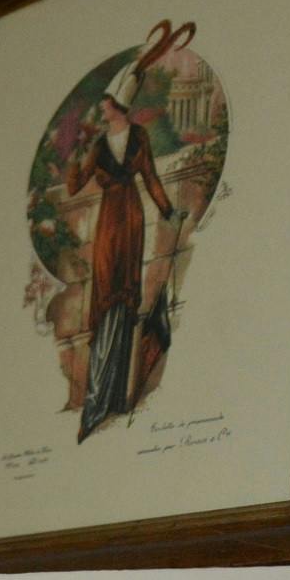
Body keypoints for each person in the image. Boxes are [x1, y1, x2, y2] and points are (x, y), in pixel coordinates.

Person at [70, 77, 181, 441]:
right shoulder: (99, 143)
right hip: (109, 223)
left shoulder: (139, 137)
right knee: (105, 294)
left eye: (106, 103)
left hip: (131, 218)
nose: (102, 109)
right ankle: (97, 399)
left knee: (124, 296)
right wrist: (77, 151)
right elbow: (73, 186)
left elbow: (150, 176)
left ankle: (116, 395)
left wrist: (168, 210)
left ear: (118, 105)